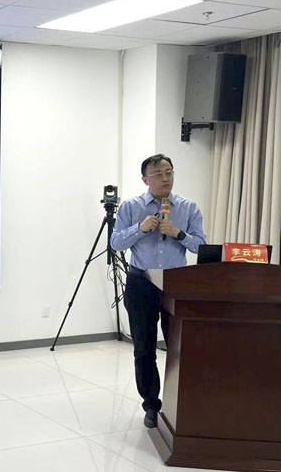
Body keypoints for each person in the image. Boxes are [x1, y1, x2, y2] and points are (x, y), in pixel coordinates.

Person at [110, 154, 206, 429]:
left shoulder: (189, 207)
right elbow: (116, 243)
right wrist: (140, 229)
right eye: (158, 174)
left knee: (180, 348)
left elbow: (201, 246)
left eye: (169, 172)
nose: (166, 178)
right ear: (145, 180)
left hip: (177, 284)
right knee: (144, 348)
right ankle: (151, 405)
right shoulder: (131, 207)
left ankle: (180, 404)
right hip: (142, 282)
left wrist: (178, 233)